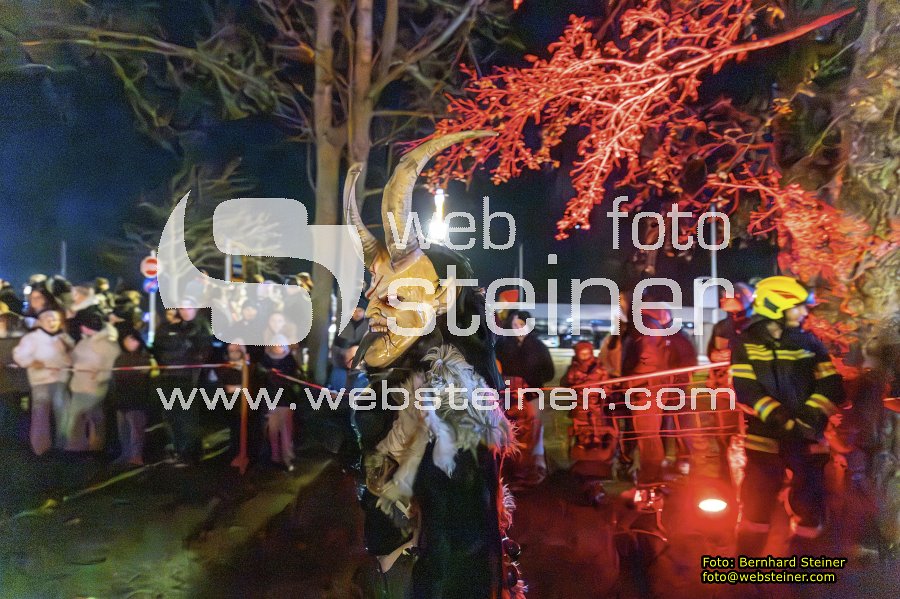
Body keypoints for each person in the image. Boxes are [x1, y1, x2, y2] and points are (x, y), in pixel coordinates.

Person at [344, 139, 523, 598]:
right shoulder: (404, 382)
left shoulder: (456, 403)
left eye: (397, 296)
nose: (375, 307)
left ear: (443, 300)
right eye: (375, 293)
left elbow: (458, 547)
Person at [731, 276, 845, 555]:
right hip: (765, 437)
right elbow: (746, 389)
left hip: (806, 436)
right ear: (776, 307)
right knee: (756, 501)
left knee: (809, 499)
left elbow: (831, 384)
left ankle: (805, 560)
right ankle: (747, 563)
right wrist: (781, 417)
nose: (805, 312)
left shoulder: (810, 343)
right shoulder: (747, 343)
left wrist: (808, 417)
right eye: (798, 306)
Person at [496, 310, 556, 487]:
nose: (518, 328)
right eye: (515, 324)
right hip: (510, 398)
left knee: (533, 433)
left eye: (521, 324)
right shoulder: (503, 346)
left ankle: (534, 468)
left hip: (531, 397)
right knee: (511, 432)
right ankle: (513, 468)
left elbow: (549, 372)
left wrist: (531, 378)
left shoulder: (538, 347)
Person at [153, 301, 213, 464]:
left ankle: (190, 453)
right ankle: (179, 449)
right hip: (170, 375)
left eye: (188, 308)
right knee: (172, 415)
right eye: (181, 308)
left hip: (188, 377)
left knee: (186, 416)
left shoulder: (199, 326)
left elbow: (202, 351)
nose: (184, 311)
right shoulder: (171, 327)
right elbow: (159, 348)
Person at [13, 308, 74, 455]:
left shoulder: (64, 338)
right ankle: (40, 448)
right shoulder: (31, 338)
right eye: (48, 319)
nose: (52, 322)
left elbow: (72, 358)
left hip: (60, 380)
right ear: (40, 321)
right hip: (40, 381)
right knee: (40, 414)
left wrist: (68, 355)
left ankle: (66, 446)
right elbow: (19, 355)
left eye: (55, 319)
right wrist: (31, 361)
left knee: (64, 413)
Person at [65, 311, 121, 451]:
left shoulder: (106, 344)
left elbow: (110, 364)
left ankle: (94, 444)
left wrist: (100, 376)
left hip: (94, 385)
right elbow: (74, 358)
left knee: (91, 415)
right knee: (80, 415)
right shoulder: (84, 342)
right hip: (80, 384)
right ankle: (79, 445)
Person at [109, 329, 156, 465]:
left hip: (137, 400)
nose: (130, 343)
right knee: (123, 431)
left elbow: (144, 378)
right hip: (121, 399)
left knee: (136, 430)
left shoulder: (145, 358)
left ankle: (136, 457)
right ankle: (125, 454)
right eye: (127, 340)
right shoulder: (120, 357)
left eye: (133, 340)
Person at [259, 336, 299, 471]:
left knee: (287, 431)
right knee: (273, 431)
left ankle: (287, 458)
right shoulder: (265, 360)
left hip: (286, 400)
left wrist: (280, 377)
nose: (278, 346)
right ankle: (275, 457)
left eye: (281, 344)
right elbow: (261, 376)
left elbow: (293, 378)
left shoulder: (289, 360)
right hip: (270, 399)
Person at [0, 311, 29, 444]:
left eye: (1, 321)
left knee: (11, 408)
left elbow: (20, 360)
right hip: (7, 383)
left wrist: (6, 363)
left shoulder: (18, 341)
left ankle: (12, 436)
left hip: (13, 383)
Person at [328, 306, 367, 390]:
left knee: (359, 385)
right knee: (337, 384)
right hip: (340, 363)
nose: (357, 313)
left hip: (359, 367)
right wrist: (347, 354)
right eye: (354, 310)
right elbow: (335, 347)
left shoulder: (369, 326)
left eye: (360, 310)